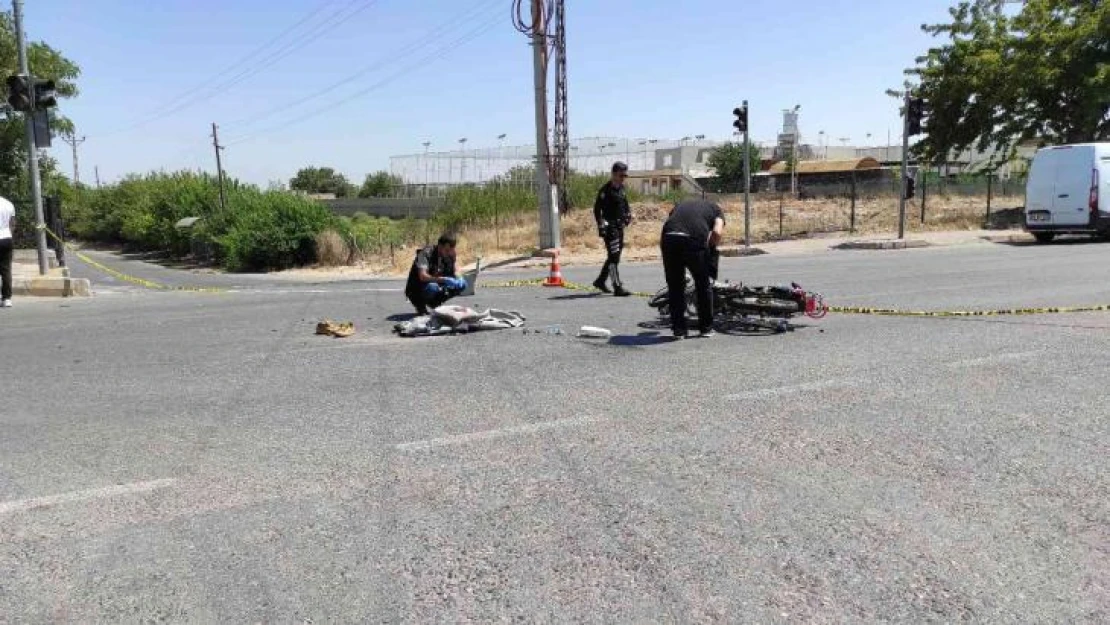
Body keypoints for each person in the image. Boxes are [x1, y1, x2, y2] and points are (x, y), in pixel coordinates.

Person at [660, 198, 725, 339]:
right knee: (703, 284)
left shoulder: (680, 204)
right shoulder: (716, 210)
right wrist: (711, 250)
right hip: (692, 240)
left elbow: (672, 220)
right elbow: (717, 233)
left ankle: (679, 331)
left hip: (669, 238)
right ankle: (706, 329)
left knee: (675, 286)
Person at [592, 161, 632, 296]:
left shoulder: (621, 188)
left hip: (620, 227)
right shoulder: (605, 190)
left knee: (614, 257)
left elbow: (626, 205)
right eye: (621, 175)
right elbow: (597, 210)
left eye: (624, 176)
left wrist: (628, 215)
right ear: (614, 174)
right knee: (614, 257)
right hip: (610, 228)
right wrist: (601, 226)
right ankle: (617, 286)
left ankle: (600, 281)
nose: (623, 178)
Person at [404, 233, 468, 316]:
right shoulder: (424, 254)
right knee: (432, 287)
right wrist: (443, 279)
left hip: (436, 284)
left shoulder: (451, 253)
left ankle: (435, 303)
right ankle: (420, 305)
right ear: (440, 246)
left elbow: (455, 269)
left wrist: (459, 278)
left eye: (452, 249)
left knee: (462, 285)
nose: (449, 252)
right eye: (447, 250)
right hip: (417, 289)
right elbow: (422, 276)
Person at [0, 195, 14, 308]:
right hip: (6, 238)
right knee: (6, 270)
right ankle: (7, 298)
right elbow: (12, 224)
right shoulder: (8, 204)